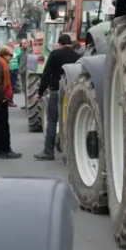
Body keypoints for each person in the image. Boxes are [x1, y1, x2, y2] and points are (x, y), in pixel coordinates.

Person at [34, 33, 80, 161]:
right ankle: (70, 152)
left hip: (56, 91)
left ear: (59, 44)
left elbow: (46, 73)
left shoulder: (54, 54)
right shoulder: (77, 56)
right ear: (70, 43)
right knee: (69, 120)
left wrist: (40, 91)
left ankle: (48, 151)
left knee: (52, 121)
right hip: (71, 92)